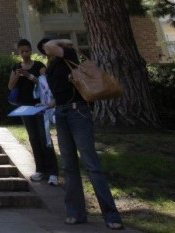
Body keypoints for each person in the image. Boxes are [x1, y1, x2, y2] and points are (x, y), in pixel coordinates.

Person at [40, 38, 124, 230]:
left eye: (47, 46)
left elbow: (52, 45)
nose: (45, 49)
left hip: (78, 112)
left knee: (91, 163)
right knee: (69, 165)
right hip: (61, 112)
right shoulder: (52, 66)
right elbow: (59, 93)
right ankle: (75, 213)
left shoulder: (69, 55)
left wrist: (61, 41)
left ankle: (112, 216)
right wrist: (46, 105)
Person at [9, 38, 59, 186]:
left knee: (45, 138)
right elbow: (11, 86)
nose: (25, 54)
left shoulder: (38, 65)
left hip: (40, 105)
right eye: (22, 52)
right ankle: (40, 169)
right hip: (25, 107)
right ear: (18, 53)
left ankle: (53, 172)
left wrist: (30, 76)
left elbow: (45, 84)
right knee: (33, 138)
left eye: (27, 51)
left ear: (31, 51)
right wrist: (18, 75)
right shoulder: (16, 67)